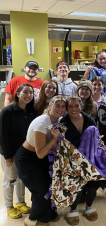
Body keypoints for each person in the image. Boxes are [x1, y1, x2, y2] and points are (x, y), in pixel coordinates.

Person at [15, 96, 67, 226]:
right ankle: (33, 219)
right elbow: (40, 153)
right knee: (40, 189)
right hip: (27, 159)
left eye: (63, 106)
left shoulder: (58, 120)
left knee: (49, 186)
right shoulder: (42, 122)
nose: (60, 109)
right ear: (50, 106)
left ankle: (47, 214)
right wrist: (55, 139)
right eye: (57, 105)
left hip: (40, 159)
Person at [60, 95, 100, 225]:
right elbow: (62, 145)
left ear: (81, 106)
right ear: (66, 108)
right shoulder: (63, 122)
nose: (73, 109)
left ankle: (89, 206)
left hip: (91, 159)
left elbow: (97, 140)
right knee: (78, 187)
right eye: (70, 106)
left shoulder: (89, 120)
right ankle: (73, 209)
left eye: (76, 105)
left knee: (93, 186)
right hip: (72, 161)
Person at [0, 84, 36, 219]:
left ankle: (21, 202)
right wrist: (8, 156)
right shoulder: (7, 111)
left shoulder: (31, 111)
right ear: (18, 93)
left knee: (21, 179)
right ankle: (9, 206)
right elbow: (2, 135)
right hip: (9, 152)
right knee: (10, 179)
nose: (28, 95)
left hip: (24, 153)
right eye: (25, 92)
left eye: (31, 93)